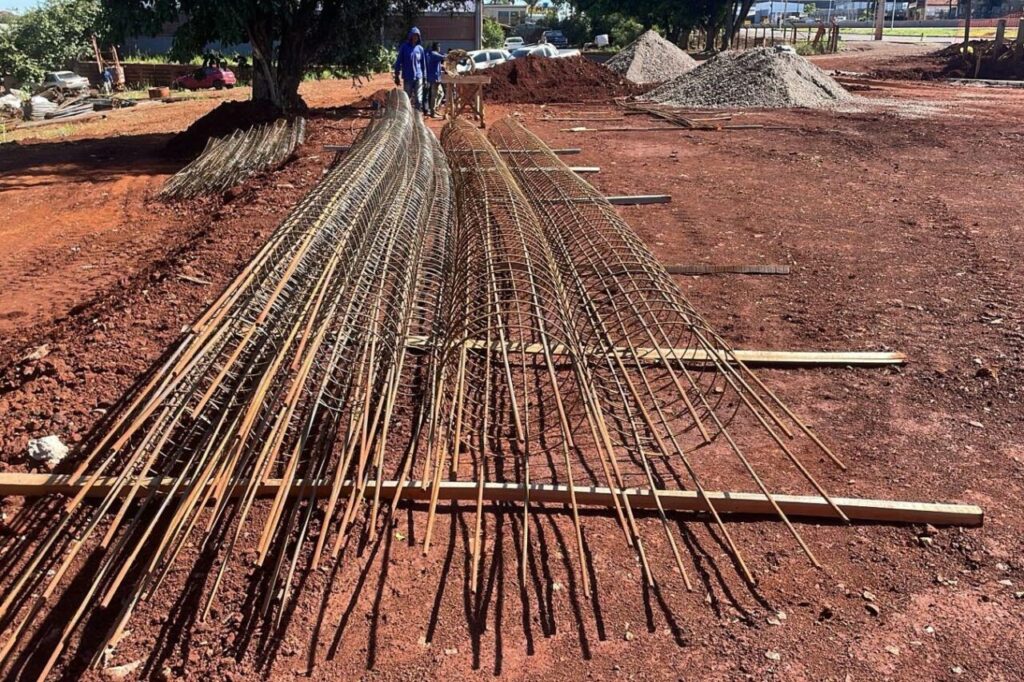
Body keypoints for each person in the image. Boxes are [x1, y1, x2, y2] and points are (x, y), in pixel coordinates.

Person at [393, 27, 425, 110]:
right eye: (413, 35)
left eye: (417, 36)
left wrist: (425, 77)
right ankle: (407, 115)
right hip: (408, 77)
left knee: (419, 99)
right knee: (407, 98)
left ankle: (418, 114)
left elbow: (423, 64)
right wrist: (396, 75)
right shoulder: (404, 47)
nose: (415, 37)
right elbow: (398, 61)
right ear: (410, 36)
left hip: (418, 76)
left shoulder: (420, 49)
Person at [423, 42, 444, 117]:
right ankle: (433, 112)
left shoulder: (432, 54)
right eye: (439, 46)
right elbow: (444, 57)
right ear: (436, 47)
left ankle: (434, 109)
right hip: (434, 78)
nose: (439, 48)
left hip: (435, 77)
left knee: (440, 94)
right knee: (434, 95)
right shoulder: (434, 54)